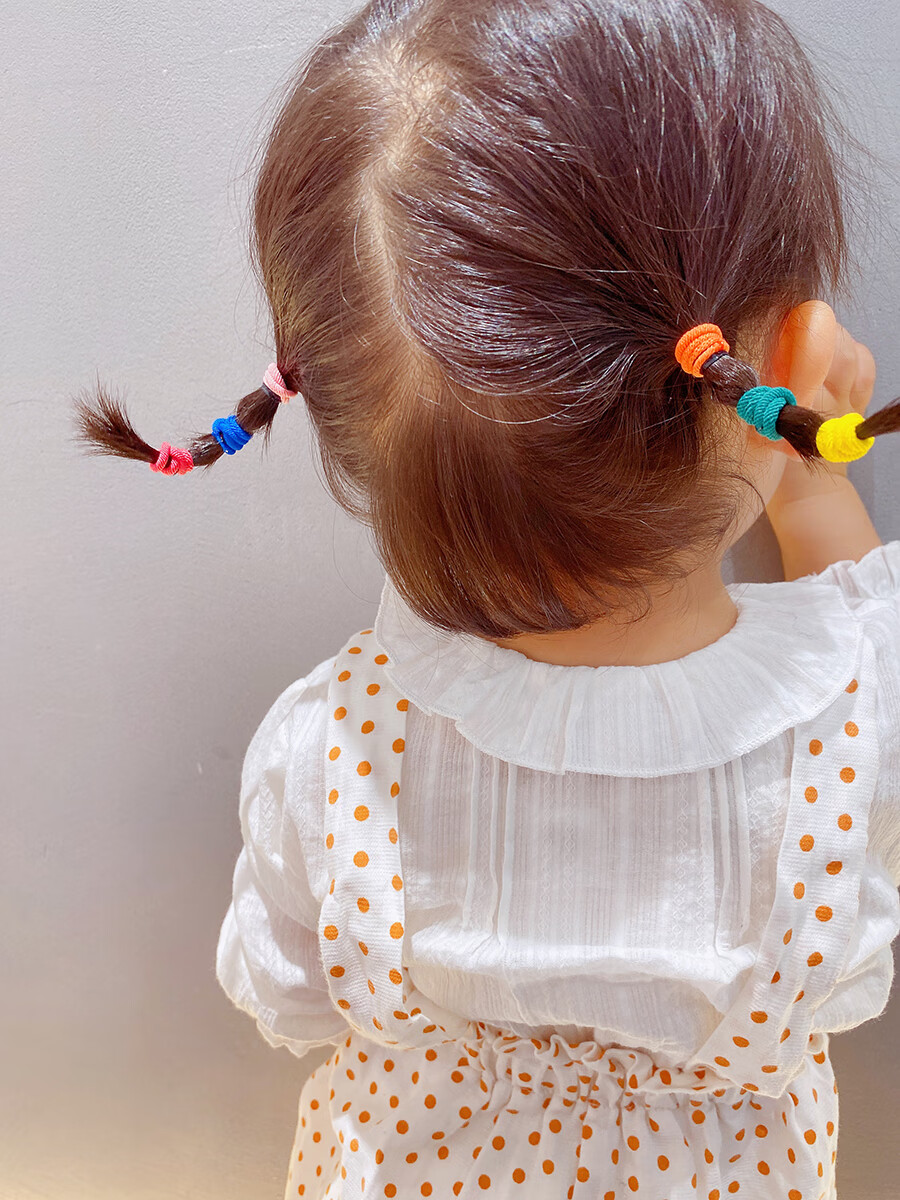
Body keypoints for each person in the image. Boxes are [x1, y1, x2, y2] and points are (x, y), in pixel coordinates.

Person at [74, 0, 900, 1195]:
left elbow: (289, 997)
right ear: (793, 366)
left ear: (335, 405)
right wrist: (807, 468)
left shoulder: (330, 748)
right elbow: (857, 632)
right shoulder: (854, 734)